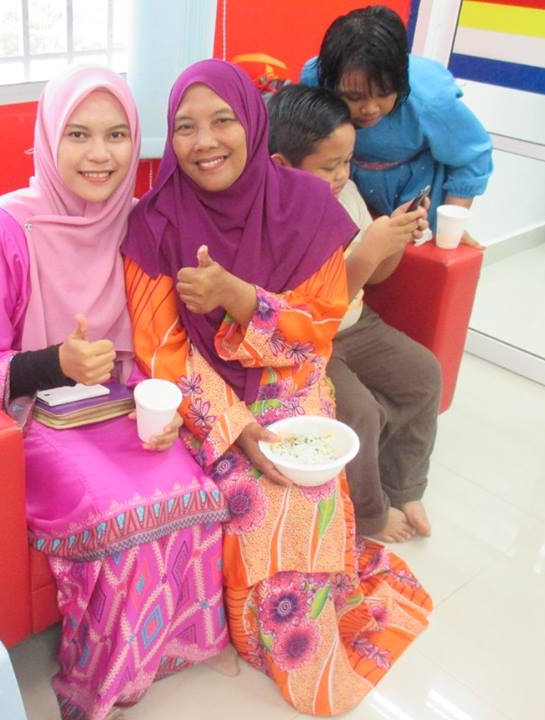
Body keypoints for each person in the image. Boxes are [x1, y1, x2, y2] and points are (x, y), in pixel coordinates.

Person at [123, 59, 432, 716]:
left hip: (291, 377)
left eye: (222, 120)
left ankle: (301, 627)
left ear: (253, 123)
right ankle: (268, 634)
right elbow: (161, 348)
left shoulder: (308, 205)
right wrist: (234, 426)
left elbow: (318, 327)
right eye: (185, 127)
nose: (204, 141)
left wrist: (240, 298)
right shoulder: (153, 223)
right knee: (257, 496)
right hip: (207, 397)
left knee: (303, 483)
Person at [0, 65, 230, 720]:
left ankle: (175, 647)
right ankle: (104, 676)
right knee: (112, 514)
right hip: (36, 413)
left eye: (116, 135)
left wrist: (166, 401)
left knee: (197, 490)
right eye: (78, 134)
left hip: (126, 402)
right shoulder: (0, 229)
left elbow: (162, 333)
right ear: (48, 138)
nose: (100, 155)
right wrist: (55, 363)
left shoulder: (140, 222)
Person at [267, 83, 439, 542]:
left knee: (423, 373)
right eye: (329, 166)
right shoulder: (278, 219)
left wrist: (394, 240)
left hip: (358, 324)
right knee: (359, 410)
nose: (342, 175)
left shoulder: (348, 195)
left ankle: (404, 486)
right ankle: (369, 515)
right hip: (311, 341)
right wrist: (367, 252)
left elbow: (376, 277)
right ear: (282, 165)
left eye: (348, 161)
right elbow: (309, 312)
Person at [300, 5, 493, 237]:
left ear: (401, 81)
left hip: (414, 202)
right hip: (349, 195)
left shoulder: (429, 100)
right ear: (330, 83)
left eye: (384, 94)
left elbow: (473, 157)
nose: (370, 109)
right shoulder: (315, 80)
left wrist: (450, 229)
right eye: (354, 96)